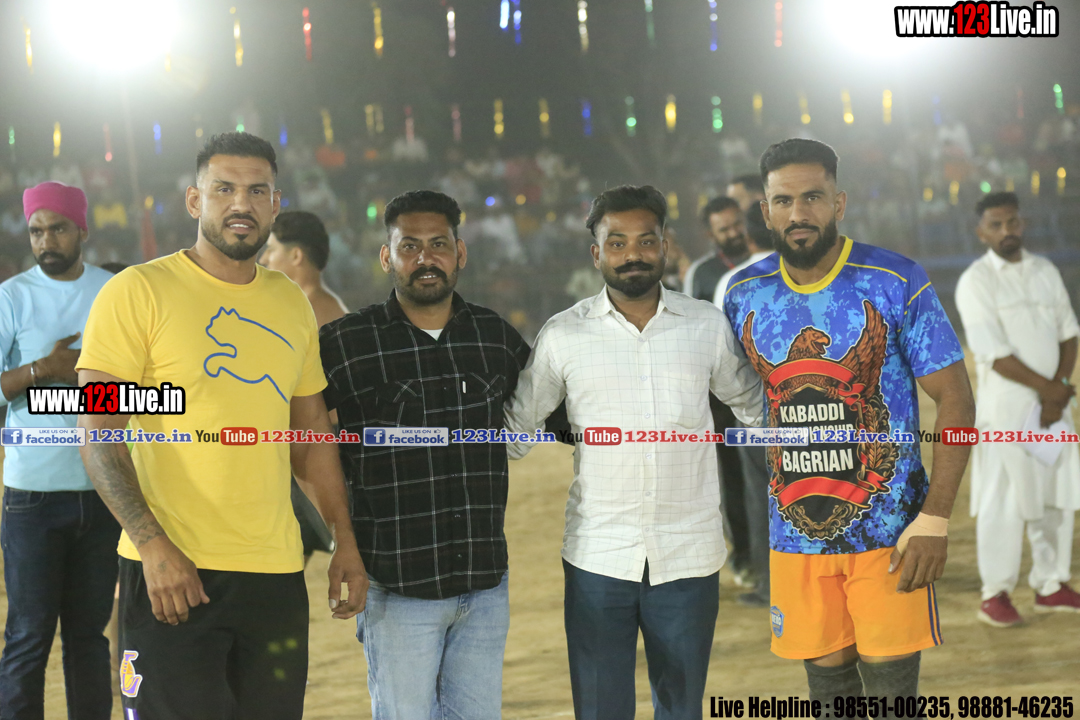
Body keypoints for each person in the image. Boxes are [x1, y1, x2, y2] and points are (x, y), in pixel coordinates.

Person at [76, 132, 367, 719]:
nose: (242, 203)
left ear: (275, 203)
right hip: (173, 574)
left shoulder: (290, 303)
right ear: (194, 200)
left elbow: (310, 440)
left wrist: (345, 541)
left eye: (257, 191)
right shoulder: (136, 291)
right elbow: (100, 432)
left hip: (275, 578)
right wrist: (153, 546)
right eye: (224, 189)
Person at [724, 139, 975, 704]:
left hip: (888, 536)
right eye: (783, 201)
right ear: (764, 211)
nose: (798, 213)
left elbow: (956, 400)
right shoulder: (742, 294)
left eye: (812, 197)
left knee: (892, 703)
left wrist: (935, 519)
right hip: (796, 539)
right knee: (830, 702)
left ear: (839, 202)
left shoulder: (894, 279)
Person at [505, 185, 763, 720]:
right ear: (596, 253)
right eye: (617, 243)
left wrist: (825, 421)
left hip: (688, 556)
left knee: (682, 709)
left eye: (646, 241)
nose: (632, 254)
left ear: (665, 246)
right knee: (602, 710)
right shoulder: (563, 335)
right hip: (598, 557)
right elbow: (514, 431)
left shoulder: (705, 325)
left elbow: (756, 406)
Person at [319, 190, 530, 720]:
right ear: (386, 257)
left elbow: (552, 415)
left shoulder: (495, 338)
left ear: (460, 253)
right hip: (396, 586)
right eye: (409, 246)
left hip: (484, 585)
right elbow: (305, 442)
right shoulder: (345, 343)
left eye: (438, 244)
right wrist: (341, 541)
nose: (425, 258)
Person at [0, 182, 119, 720]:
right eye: (36, 231)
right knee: (28, 636)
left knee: (89, 638)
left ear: (82, 230)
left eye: (58, 228)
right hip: (33, 497)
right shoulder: (12, 297)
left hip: (104, 490)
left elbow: (138, 389)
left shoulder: (113, 291)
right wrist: (42, 370)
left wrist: (87, 384)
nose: (46, 240)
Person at [954, 191, 1080, 627]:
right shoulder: (975, 281)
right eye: (997, 225)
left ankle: (1051, 584)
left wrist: (1057, 390)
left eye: (1013, 222)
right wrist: (1051, 391)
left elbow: (1069, 334)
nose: (1007, 231)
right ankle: (996, 593)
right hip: (1007, 413)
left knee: (1056, 493)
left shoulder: (1044, 270)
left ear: (1022, 224)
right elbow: (994, 354)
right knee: (1003, 500)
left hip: (1053, 409)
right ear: (981, 232)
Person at [259, 210, 347, 561]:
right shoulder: (325, 307)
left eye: (271, 249)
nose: (264, 259)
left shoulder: (306, 312)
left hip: (313, 453)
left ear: (296, 255)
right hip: (316, 447)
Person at [684, 196, 755, 587]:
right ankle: (744, 555)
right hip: (722, 397)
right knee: (733, 477)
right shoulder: (703, 273)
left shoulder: (768, 261)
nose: (733, 233)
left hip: (769, 387)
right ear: (711, 235)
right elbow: (693, 332)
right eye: (724, 229)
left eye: (736, 224)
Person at [714, 202, 775, 608]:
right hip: (815, 405)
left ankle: (770, 584)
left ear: (749, 236)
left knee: (760, 496)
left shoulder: (733, 281)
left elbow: (724, 355)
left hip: (754, 409)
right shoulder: (808, 273)